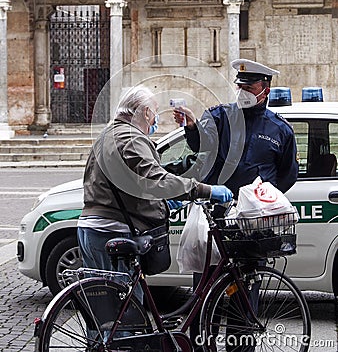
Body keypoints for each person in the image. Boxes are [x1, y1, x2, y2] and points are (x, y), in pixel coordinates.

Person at [173, 59, 299, 351]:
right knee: (205, 295)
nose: (241, 90)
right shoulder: (219, 117)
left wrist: (263, 200)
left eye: (249, 86)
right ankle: (202, 344)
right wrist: (192, 127)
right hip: (216, 222)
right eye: (239, 85)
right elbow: (200, 145)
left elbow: (287, 175)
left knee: (244, 301)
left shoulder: (280, 130)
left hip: (252, 227)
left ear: (264, 90)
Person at [77, 85, 233, 304]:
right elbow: (155, 180)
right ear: (146, 112)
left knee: (103, 309)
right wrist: (205, 190)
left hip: (93, 228)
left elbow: (130, 186)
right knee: (125, 309)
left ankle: (105, 338)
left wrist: (163, 205)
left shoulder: (109, 134)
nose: (156, 119)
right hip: (114, 230)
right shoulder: (131, 138)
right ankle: (128, 338)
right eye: (155, 112)